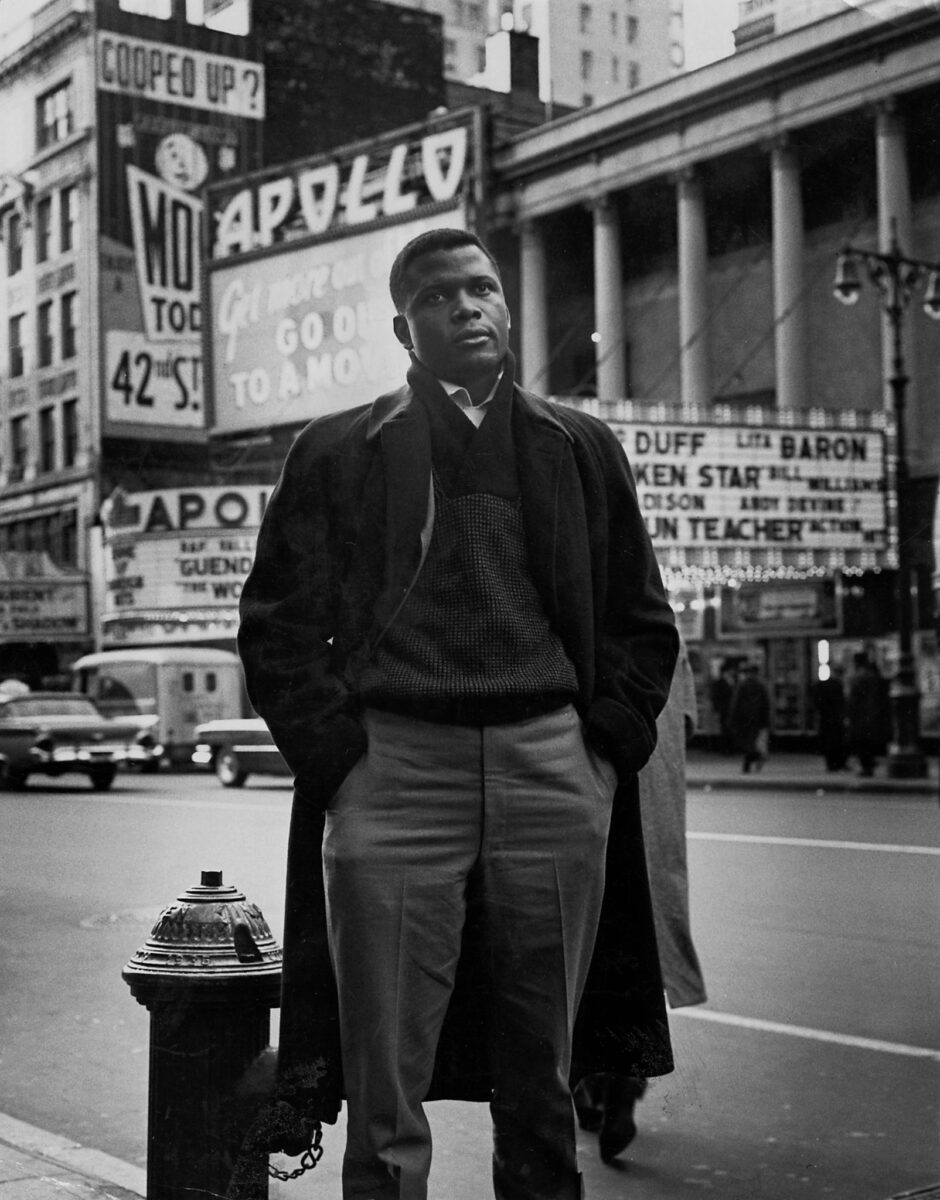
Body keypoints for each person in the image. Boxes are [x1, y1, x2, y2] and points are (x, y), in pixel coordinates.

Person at [237, 227, 679, 1200]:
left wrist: (603, 749)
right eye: (438, 296)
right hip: (393, 773)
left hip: (550, 768)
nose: (467, 307)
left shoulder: (579, 446)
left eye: (482, 288)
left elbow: (643, 622)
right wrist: (339, 760)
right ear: (404, 329)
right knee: (384, 1078)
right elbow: (276, 626)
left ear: (506, 306)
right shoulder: (338, 450)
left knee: (543, 1068)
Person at [573, 637, 707, 1162]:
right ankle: (624, 1083)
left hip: (588, 776)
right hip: (650, 786)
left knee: (581, 940)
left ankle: (587, 1081)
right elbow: (687, 722)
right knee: (638, 942)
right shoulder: (663, 633)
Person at [846, 651, 891, 776]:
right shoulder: (873, 677)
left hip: (861, 715)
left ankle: (866, 767)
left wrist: (849, 714)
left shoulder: (858, 678)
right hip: (872, 715)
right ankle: (869, 764)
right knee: (868, 742)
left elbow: (853, 700)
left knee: (862, 742)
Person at [727, 662, 771, 773]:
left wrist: (732, 718)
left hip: (743, 718)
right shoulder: (761, 686)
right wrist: (766, 720)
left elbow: (735, 703)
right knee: (751, 741)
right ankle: (754, 758)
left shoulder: (742, 685)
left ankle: (749, 762)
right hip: (756, 719)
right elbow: (766, 704)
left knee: (746, 742)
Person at [812, 664, 847, 771]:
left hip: (826, 717)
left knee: (829, 741)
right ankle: (838, 763)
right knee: (837, 741)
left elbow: (816, 700)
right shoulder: (837, 685)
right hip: (835, 717)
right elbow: (841, 702)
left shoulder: (822, 684)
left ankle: (831, 763)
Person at [709, 660, 737, 754]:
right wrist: (717, 709)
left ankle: (729, 748)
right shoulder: (720, 682)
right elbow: (716, 697)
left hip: (731, 709)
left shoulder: (732, 680)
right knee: (725, 729)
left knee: (729, 728)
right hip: (724, 709)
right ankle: (725, 749)